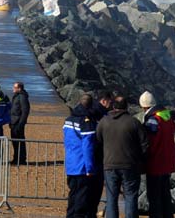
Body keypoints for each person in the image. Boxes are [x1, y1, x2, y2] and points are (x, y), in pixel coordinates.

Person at [96, 96, 148, 218]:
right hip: (130, 165)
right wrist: (139, 159)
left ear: (113, 106)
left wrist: (102, 159)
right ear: (126, 107)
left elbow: (97, 142)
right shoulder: (134, 122)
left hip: (109, 165)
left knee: (111, 197)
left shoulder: (104, 121)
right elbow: (145, 144)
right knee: (130, 196)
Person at [140, 91, 175, 218]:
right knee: (165, 194)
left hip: (156, 163)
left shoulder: (153, 120)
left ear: (143, 107)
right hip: (168, 162)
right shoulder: (166, 116)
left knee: (154, 196)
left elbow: (150, 142)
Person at [63, 94, 98, 218]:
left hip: (71, 163)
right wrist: (90, 168)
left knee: (73, 194)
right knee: (81, 197)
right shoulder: (85, 121)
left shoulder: (69, 119)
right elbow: (87, 146)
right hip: (81, 165)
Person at [86, 90, 113, 218]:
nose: (111, 104)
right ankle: (91, 212)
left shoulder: (94, 111)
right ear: (103, 101)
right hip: (99, 155)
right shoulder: (101, 114)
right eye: (109, 101)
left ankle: (91, 212)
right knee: (95, 189)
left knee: (91, 189)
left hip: (96, 154)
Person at [10, 82, 30, 165]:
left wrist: (21, 123)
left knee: (19, 141)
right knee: (15, 141)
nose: (13, 89)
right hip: (13, 121)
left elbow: (25, 111)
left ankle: (21, 159)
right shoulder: (16, 96)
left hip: (18, 122)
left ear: (19, 88)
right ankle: (16, 158)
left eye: (15, 87)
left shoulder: (22, 97)